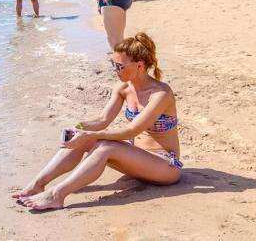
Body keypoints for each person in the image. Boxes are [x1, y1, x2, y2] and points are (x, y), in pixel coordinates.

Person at [14, 32, 181, 210]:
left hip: (165, 166)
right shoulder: (124, 88)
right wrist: (79, 128)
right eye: (113, 64)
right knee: (83, 138)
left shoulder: (160, 94)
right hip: (136, 161)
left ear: (139, 66)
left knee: (105, 145)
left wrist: (89, 135)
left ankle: (56, 195)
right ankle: (37, 185)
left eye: (119, 66)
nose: (115, 69)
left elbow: (132, 131)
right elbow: (102, 120)